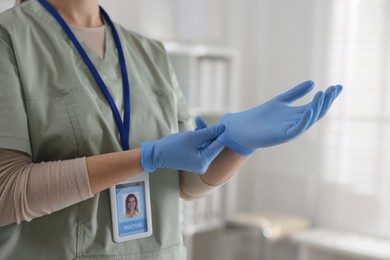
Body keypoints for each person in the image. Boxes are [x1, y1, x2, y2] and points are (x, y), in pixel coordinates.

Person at [0, 0, 343, 259]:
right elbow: (6, 191)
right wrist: (145, 158)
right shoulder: (9, 40)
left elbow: (184, 184)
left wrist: (237, 146)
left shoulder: (149, 52)